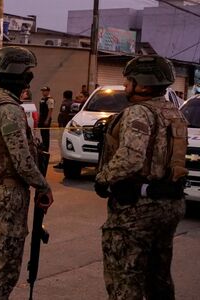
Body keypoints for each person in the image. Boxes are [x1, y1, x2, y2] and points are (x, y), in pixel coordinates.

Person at [94, 55, 187, 299]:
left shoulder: (138, 112)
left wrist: (103, 179)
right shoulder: (173, 112)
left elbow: (130, 159)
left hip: (137, 209)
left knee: (124, 279)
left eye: (129, 81)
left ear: (143, 85)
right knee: (158, 278)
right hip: (169, 205)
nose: (125, 86)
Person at [0, 46, 53, 299]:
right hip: (8, 193)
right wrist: (42, 185)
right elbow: (23, 160)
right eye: (29, 73)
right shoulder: (9, 108)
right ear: (22, 76)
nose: (31, 79)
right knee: (4, 263)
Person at [38, 86, 55, 151]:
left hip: (46, 118)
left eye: (44, 91)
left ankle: (46, 148)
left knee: (46, 134)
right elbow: (40, 110)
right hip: (42, 118)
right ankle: (43, 146)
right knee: (42, 133)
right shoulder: (42, 99)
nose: (43, 92)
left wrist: (47, 120)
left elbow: (50, 110)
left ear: (48, 91)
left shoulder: (50, 99)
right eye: (42, 91)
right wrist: (39, 119)